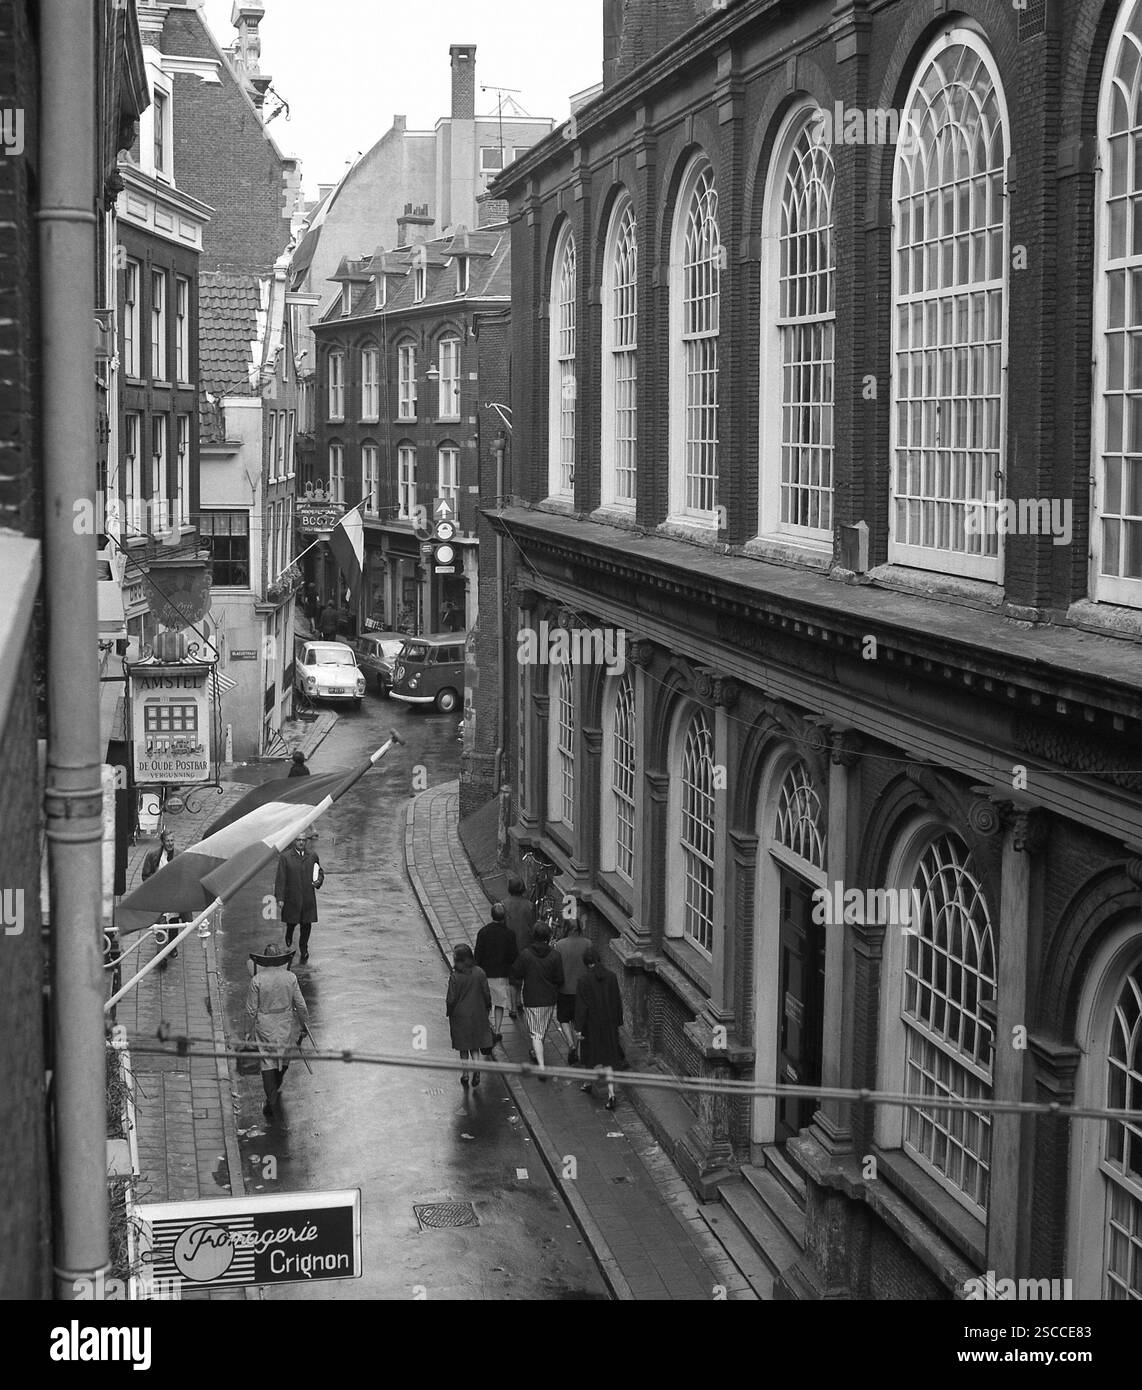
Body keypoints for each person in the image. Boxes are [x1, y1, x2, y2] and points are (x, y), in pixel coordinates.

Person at [244, 941, 310, 1118]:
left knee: (267, 1060)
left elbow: (251, 1010)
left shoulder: (257, 980)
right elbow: (301, 1005)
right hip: (285, 1024)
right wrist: (304, 1024)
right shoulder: (290, 978)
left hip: (265, 1024)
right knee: (284, 1058)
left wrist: (247, 1032)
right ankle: (275, 1088)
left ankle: (271, 1098)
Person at [511, 922, 564, 1077]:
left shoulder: (526, 954)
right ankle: (536, 1051)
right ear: (548, 937)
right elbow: (559, 978)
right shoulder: (555, 955)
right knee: (542, 1030)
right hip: (549, 998)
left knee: (535, 1033)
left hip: (532, 998)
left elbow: (517, 972)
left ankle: (541, 1066)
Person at [575, 949, 624, 1110]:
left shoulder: (583, 980)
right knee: (609, 1059)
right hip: (609, 1025)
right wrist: (617, 1022)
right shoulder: (611, 977)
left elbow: (582, 1007)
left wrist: (579, 1028)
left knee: (590, 1056)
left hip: (592, 1025)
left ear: (586, 963)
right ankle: (611, 1094)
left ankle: (588, 1082)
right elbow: (617, 1001)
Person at [446, 944, 493, 1088]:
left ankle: (465, 1074)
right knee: (475, 1045)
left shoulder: (455, 977)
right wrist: (487, 1006)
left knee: (463, 1047)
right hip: (477, 1013)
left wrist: (450, 1011)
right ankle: (477, 1069)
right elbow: (486, 992)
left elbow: (451, 998)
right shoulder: (479, 972)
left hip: (460, 1016)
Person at [274, 834, 324, 963]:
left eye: (303, 840)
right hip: (292, 897)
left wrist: (318, 881)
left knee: (306, 924)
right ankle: (289, 933)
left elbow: (319, 871)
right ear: (294, 842)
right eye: (298, 840)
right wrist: (280, 898)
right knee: (292, 921)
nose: (301, 843)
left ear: (306, 841)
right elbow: (281, 878)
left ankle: (304, 948)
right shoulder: (286, 857)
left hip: (307, 897)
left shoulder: (312, 856)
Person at [474, 902, 516, 1048]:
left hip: (485, 975)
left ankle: (486, 1029)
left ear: (492, 915)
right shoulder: (509, 934)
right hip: (500, 974)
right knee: (499, 1004)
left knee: (486, 1004)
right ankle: (497, 1030)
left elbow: (477, 955)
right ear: (504, 917)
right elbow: (513, 956)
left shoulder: (483, 932)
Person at [554, 915, 592, 1065]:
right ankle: (576, 1047)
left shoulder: (559, 945)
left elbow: (556, 967)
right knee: (579, 1021)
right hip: (582, 991)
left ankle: (570, 1045)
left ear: (566, 929)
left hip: (564, 989)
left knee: (563, 1019)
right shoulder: (588, 943)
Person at [141, 830, 181, 964]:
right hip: (159, 895)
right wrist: (156, 882)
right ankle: (160, 952)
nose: (170, 843)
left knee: (174, 922)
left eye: (172, 840)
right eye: (167, 841)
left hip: (174, 895)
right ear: (163, 842)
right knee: (160, 923)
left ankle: (172, 947)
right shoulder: (153, 856)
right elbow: (145, 875)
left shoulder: (179, 855)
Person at [503, 875, 535, 1020]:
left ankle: (512, 1007)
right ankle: (519, 1001)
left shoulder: (503, 905)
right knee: (521, 975)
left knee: (511, 978)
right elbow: (532, 925)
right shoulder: (529, 906)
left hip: (509, 947)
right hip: (524, 945)